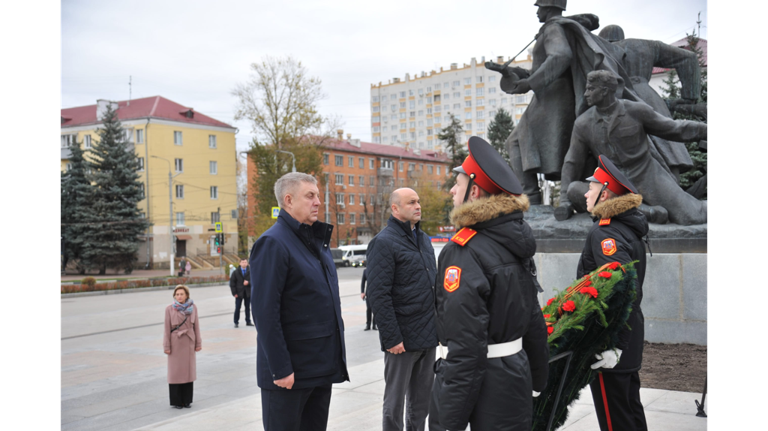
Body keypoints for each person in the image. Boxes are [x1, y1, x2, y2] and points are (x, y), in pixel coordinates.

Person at [429, 137, 549, 431]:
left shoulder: (464, 250)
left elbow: (466, 344)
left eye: (457, 184)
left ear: (474, 192)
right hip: (514, 377)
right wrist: (537, 377)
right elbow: (533, 316)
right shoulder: (512, 242)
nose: (452, 190)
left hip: (481, 386)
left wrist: (448, 420)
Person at [486, 0, 633, 202]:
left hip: (553, 98)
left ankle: (532, 197)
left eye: (539, 7)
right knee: (524, 143)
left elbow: (561, 56)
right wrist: (513, 73)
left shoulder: (553, 27)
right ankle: (537, 196)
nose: (537, 11)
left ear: (549, 7)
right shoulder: (556, 27)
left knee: (516, 143)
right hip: (551, 96)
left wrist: (529, 83)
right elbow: (546, 66)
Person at [249, 172, 348, 431]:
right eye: (310, 196)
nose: (318, 202)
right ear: (289, 200)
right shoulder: (273, 243)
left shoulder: (315, 242)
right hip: (289, 375)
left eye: (318, 196)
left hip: (318, 368)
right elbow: (265, 313)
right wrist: (280, 369)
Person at [558, 70, 708, 225]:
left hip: (646, 174)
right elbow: (572, 161)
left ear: (604, 91)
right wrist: (564, 200)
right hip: (611, 182)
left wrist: (705, 130)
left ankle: (634, 209)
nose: (585, 94)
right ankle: (645, 212)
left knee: (691, 216)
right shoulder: (583, 123)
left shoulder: (636, 111)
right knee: (574, 189)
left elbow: (675, 129)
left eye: (591, 89)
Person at [577, 154, 649, 431]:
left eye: (591, 188)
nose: (586, 193)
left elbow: (619, 289)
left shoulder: (606, 233)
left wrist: (614, 343)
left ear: (605, 194)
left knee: (615, 419)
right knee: (630, 410)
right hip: (626, 336)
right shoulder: (626, 229)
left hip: (612, 340)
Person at [366, 187, 438, 431]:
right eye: (411, 202)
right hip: (402, 341)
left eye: (418, 201)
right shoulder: (383, 242)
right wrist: (392, 338)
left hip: (428, 338)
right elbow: (378, 294)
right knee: (394, 406)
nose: (418, 206)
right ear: (395, 208)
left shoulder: (425, 240)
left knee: (421, 404)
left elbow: (432, 286)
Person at [163, 285, 202, 409]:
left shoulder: (193, 307)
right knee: (175, 372)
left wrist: (198, 343)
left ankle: (187, 400)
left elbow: (196, 326)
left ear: (187, 295)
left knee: (188, 372)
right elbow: (166, 329)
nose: (179, 296)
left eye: (182, 294)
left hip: (189, 342)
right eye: (177, 294)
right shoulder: (169, 309)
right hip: (175, 343)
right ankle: (176, 401)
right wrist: (166, 345)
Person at [229, 257, 253, 328]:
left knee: (248, 308)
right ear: (240, 263)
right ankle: (236, 322)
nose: (244, 263)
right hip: (239, 293)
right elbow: (232, 284)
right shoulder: (236, 272)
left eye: (245, 262)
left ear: (247, 263)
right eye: (242, 262)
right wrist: (234, 293)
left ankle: (248, 321)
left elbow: (255, 281)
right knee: (237, 308)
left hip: (248, 293)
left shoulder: (250, 271)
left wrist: (248, 283)